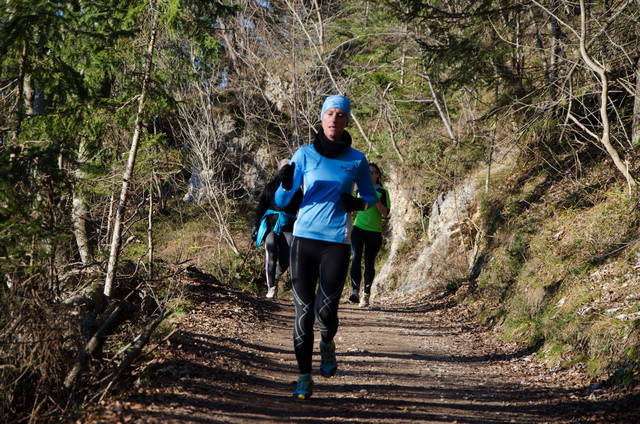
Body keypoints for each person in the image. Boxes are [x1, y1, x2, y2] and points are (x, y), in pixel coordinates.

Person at [275, 95, 377, 400]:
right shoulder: (304, 155)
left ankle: (328, 342)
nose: (334, 118)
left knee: (326, 311)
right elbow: (282, 201)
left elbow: (370, 197)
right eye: (329, 113)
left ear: (346, 120)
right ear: (321, 118)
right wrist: (284, 183)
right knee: (303, 312)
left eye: (340, 114)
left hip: (336, 241)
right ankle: (304, 377)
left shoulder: (356, 159)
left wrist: (357, 204)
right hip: (304, 238)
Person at [252, 159, 303, 299]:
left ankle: (275, 276)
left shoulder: (297, 190)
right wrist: (256, 226)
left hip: (288, 226)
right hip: (270, 226)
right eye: (283, 168)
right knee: (271, 253)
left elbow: (302, 208)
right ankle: (271, 287)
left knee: (287, 260)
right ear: (278, 170)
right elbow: (261, 207)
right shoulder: (270, 187)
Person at [348, 163, 390, 307]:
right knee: (355, 258)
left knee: (369, 263)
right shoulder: (360, 189)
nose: (370, 174)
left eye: (373, 172)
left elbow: (385, 213)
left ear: (378, 175)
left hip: (374, 231)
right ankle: (354, 291)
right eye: (368, 172)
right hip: (358, 229)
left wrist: (376, 199)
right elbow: (353, 210)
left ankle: (366, 294)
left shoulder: (383, 192)